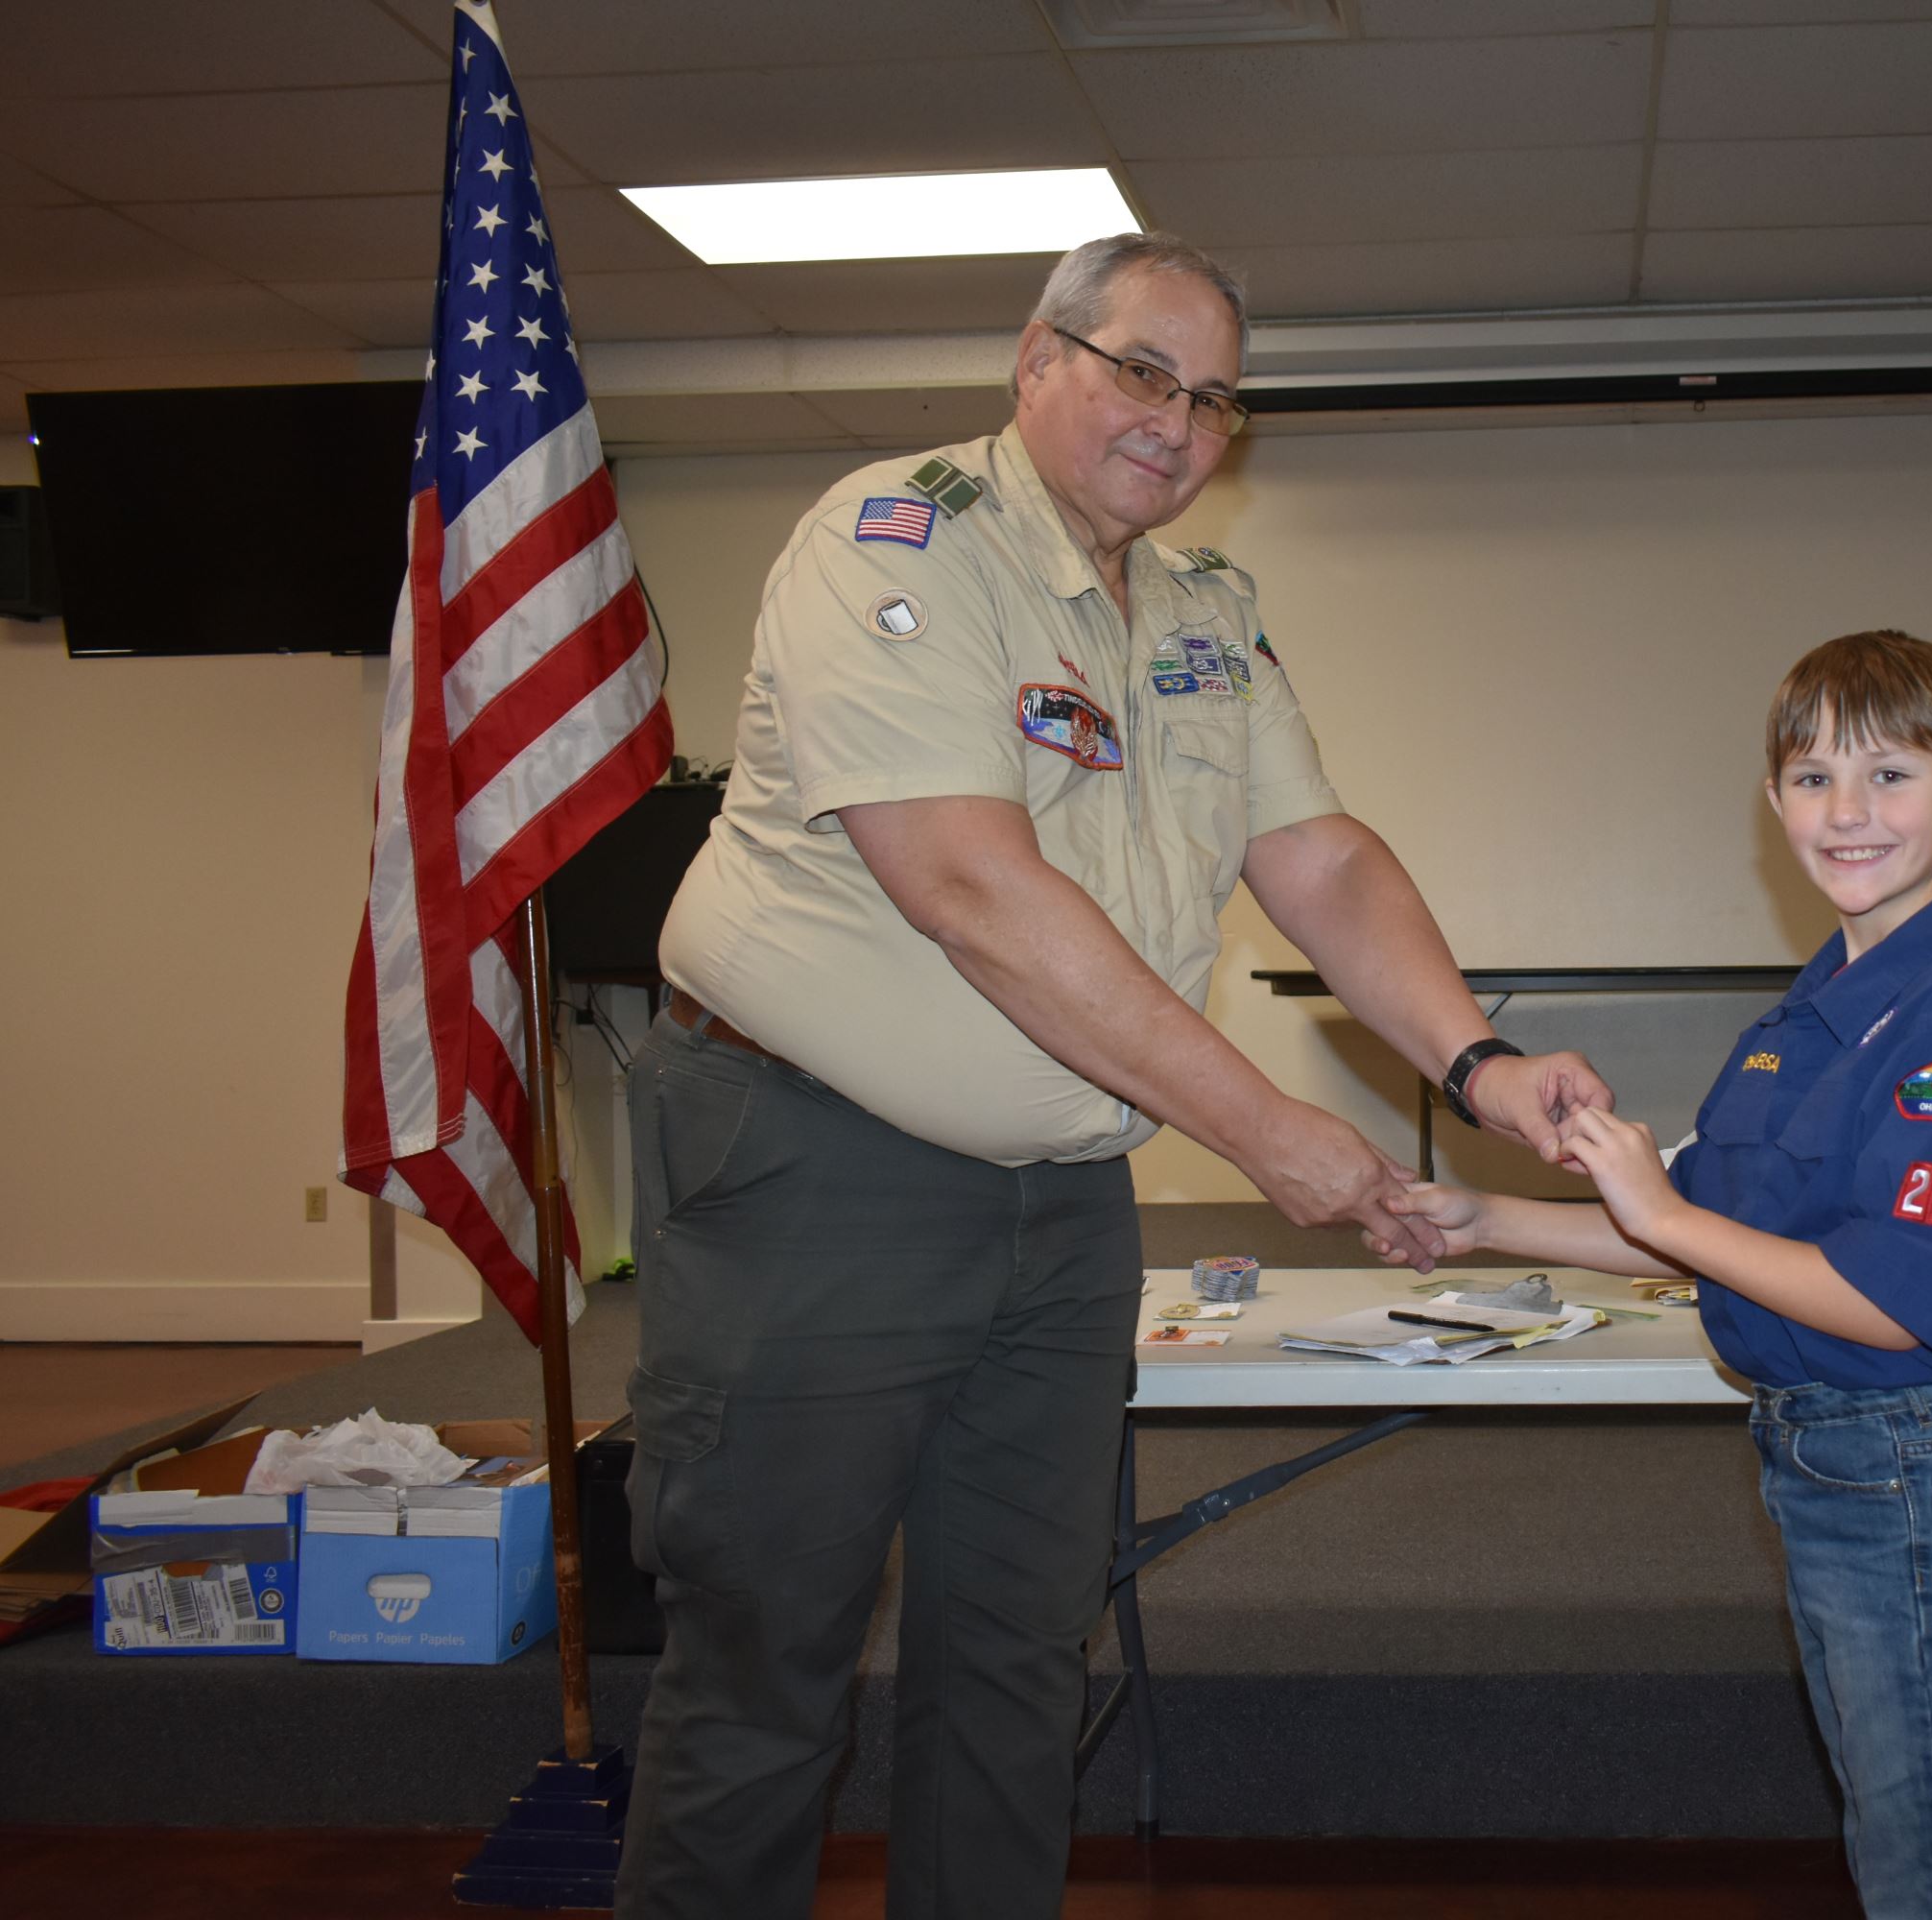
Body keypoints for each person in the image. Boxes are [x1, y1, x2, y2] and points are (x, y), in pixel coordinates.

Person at [615, 232, 1611, 1920]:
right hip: (813, 1173)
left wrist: (1479, 1060)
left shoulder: (1207, 609)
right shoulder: (893, 543)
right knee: (767, 1658)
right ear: (1037, 361)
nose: (1179, 421)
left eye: (1215, 399)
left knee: (1019, 1655)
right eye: (1144, 371)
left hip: (1066, 1200)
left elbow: (1321, 857)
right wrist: (1268, 1130)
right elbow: (972, 891)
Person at [1374, 630, 1932, 1920]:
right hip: (1833, 1459)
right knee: (1894, 1830)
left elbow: (1892, 1303)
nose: (1848, 811)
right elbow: (1709, 1226)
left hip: (1909, 1461)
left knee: (1928, 1858)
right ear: (1774, 802)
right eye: (1814, 779)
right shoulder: (1817, 1010)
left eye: (1890, 775)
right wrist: (1489, 1219)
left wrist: (1659, 1205)